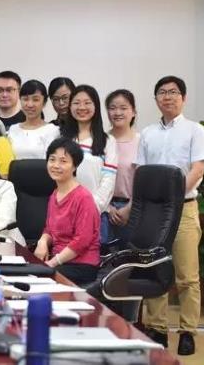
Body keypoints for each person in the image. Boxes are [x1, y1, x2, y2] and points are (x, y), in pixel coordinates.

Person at [135, 76, 204, 355]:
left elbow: (197, 169)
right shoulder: (148, 133)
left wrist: (174, 198)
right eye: (162, 92)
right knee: (155, 270)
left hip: (185, 208)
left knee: (187, 275)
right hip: (154, 212)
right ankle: (157, 328)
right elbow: (142, 172)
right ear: (156, 99)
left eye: (174, 92)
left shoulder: (195, 130)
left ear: (183, 98)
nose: (168, 97)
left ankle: (188, 331)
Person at [34, 137, 100, 286]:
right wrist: (42, 242)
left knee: (39, 280)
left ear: (74, 166)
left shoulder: (83, 197)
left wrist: (52, 263)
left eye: (63, 161)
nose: (56, 165)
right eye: (52, 159)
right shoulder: (55, 194)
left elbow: (82, 241)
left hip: (81, 265)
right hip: (59, 260)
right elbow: (49, 229)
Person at [60, 85, 117, 240]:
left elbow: (108, 180)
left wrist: (90, 208)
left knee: (93, 255)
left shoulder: (108, 141)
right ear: (70, 106)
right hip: (65, 214)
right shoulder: (61, 139)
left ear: (95, 106)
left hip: (96, 214)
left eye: (87, 103)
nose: (82, 107)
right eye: (76, 103)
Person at [105, 89, 140, 243]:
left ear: (133, 112)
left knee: (130, 253)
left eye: (123, 108)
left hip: (133, 209)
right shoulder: (101, 140)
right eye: (112, 108)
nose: (117, 112)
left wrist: (130, 207)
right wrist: (108, 207)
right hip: (104, 208)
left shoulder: (142, 141)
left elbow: (144, 181)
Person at [7, 80, 60, 159]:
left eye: (35, 100)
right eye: (25, 99)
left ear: (44, 102)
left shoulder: (53, 130)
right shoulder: (13, 129)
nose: (30, 104)